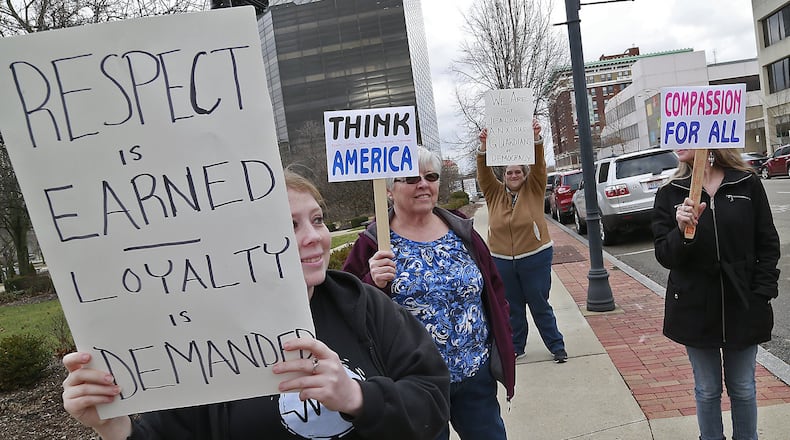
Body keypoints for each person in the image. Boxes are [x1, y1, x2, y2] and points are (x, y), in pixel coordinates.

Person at [61, 170, 450, 440]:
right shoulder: (207, 334)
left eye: (317, 220)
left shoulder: (363, 306)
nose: (314, 237)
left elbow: (432, 406)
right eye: (289, 226)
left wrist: (358, 397)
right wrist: (110, 426)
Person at [342, 147, 515, 440]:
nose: (423, 183)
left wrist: (503, 341)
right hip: (413, 387)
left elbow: (496, 292)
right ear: (388, 190)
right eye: (410, 177)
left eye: (431, 176)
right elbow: (344, 308)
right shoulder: (373, 243)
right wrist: (371, 281)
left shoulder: (462, 232)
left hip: (475, 376)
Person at [652, 148, 780, 440]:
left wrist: (762, 292)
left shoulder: (746, 183)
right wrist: (682, 230)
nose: (676, 141)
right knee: (707, 389)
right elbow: (665, 255)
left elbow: (767, 243)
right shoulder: (670, 193)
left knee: (743, 387)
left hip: (744, 303)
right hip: (695, 308)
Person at [477, 120, 567, 363]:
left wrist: (536, 139)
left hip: (535, 256)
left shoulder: (534, 188)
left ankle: (556, 346)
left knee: (539, 304)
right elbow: (484, 175)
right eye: (509, 172)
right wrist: (483, 148)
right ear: (504, 175)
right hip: (502, 259)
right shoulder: (494, 193)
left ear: (524, 175)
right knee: (513, 307)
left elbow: (539, 167)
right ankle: (517, 346)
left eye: (518, 171)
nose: (514, 175)